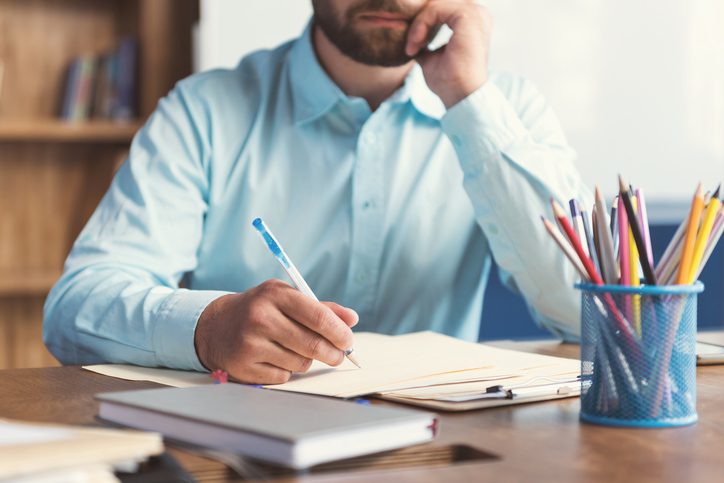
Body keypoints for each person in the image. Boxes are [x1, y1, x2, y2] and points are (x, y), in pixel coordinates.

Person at [43, 0, 591, 384]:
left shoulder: (505, 110)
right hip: (240, 445)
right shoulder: (203, 110)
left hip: (441, 450)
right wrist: (208, 330)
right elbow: (74, 310)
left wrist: (467, 99)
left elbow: (588, 314)